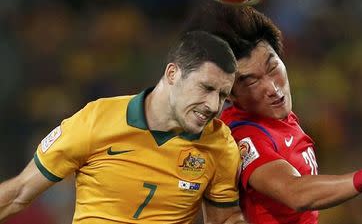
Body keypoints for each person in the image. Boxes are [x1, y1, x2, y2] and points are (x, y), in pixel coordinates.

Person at [185, 4, 362, 224]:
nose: (272, 89)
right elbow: (295, 193)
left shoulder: (276, 119)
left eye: (273, 68)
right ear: (229, 93)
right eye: (250, 82)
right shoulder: (244, 135)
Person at [0, 31, 248, 224]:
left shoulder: (219, 144)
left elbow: (223, 219)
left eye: (223, 95)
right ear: (173, 74)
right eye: (206, 88)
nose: (214, 105)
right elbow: (20, 192)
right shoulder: (98, 118)